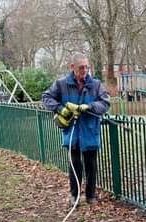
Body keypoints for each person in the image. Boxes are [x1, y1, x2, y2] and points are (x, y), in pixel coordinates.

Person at [42, 52, 110, 205]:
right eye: (81, 67)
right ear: (72, 67)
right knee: (74, 165)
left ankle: (91, 196)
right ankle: (75, 195)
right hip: (72, 131)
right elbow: (46, 97)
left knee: (91, 165)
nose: (84, 70)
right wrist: (60, 109)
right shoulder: (62, 84)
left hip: (90, 130)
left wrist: (90, 107)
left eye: (86, 67)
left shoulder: (96, 84)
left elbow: (105, 103)